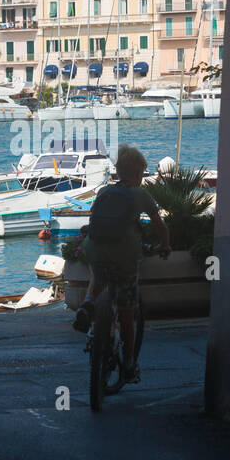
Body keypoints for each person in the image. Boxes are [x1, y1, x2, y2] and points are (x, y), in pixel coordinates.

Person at [72, 144, 171, 382]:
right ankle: (128, 364)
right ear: (138, 173)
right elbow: (160, 226)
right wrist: (165, 245)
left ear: (118, 171)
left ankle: (88, 303)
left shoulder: (104, 192)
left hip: (94, 248)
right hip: (125, 254)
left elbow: (94, 221)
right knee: (127, 313)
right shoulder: (141, 194)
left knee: (98, 272)